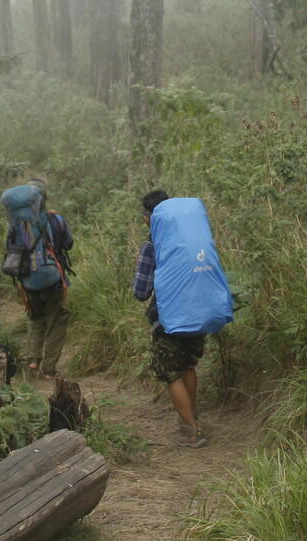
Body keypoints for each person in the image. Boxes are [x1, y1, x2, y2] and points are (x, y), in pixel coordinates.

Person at [133, 189, 207, 448]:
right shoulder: (193, 238)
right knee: (188, 365)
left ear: (149, 218)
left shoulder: (152, 246)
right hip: (198, 312)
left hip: (168, 320)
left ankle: (190, 430)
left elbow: (141, 292)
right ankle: (191, 417)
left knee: (170, 373)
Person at [13, 178, 74, 380]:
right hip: (54, 278)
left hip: (28, 282)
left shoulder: (18, 225)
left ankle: (33, 361)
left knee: (35, 319)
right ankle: (49, 370)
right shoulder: (56, 220)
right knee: (57, 320)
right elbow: (68, 244)